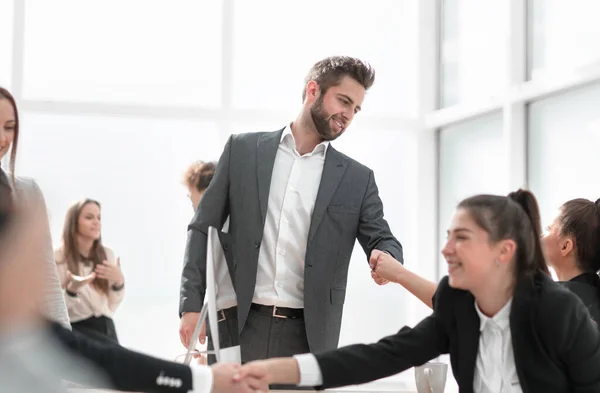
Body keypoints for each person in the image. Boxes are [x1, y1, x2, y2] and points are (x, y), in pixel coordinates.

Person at [236, 190, 600, 392]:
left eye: (462, 238)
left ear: (503, 252)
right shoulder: (458, 307)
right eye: (448, 237)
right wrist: (277, 370)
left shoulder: (559, 310)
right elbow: (380, 356)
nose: (447, 250)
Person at [179, 56, 403, 367]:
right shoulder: (243, 150)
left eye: (356, 109)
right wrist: (191, 305)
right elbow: (203, 226)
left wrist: (387, 256)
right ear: (313, 91)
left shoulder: (357, 179)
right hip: (239, 325)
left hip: (309, 338)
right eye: (344, 101)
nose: (349, 115)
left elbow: (382, 237)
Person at [0, 182, 266, 393]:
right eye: (33, 256)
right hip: (82, 332)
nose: (38, 274)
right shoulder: (27, 350)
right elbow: (103, 359)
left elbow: (111, 357)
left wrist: (117, 282)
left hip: (102, 332)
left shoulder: (106, 255)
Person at [370, 196, 600, 322]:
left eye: (550, 228)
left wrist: (398, 273)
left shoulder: (554, 302)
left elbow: (459, 307)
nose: (541, 233)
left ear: (565, 246)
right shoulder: (588, 298)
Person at [0, 86, 70, 328]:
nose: (3, 139)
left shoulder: (27, 192)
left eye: (9, 128)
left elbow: (47, 278)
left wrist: (65, 334)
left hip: (21, 335)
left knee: (112, 359)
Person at [181, 160, 239, 365]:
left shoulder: (217, 227)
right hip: (224, 321)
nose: (193, 204)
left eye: (192, 197)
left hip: (232, 322)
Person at [55, 198, 124, 344]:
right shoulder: (57, 258)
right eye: (89, 217)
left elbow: (112, 305)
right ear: (73, 222)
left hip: (108, 330)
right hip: (78, 331)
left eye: (99, 217)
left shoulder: (107, 255)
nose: (96, 222)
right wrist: (72, 290)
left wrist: (119, 282)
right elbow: (55, 311)